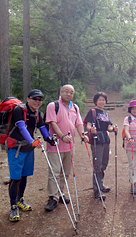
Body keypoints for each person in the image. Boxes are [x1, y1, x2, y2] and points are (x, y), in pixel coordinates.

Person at [8, 89, 54, 222]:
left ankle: (20, 199)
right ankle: (13, 206)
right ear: (27, 99)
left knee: (24, 175)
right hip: (16, 148)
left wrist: (49, 139)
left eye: (40, 100)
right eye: (35, 99)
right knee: (15, 178)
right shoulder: (19, 110)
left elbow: (42, 128)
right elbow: (22, 127)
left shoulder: (38, 113)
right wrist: (32, 141)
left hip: (28, 149)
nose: (37, 102)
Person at [44, 84, 85, 212]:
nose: (68, 94)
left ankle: (60, 193)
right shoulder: (53, 106)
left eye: (71, 92)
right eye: (66, 91)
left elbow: (78, 123)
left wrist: (83, 135)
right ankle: (52, 197)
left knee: (65, 172)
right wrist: (61, 136)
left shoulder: (75, 107)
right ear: (61, 91)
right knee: (54, 172)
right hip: (55, 145)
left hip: (69, 145)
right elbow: (52, 122)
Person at [84, 92, 118, 200]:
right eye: (100, 100)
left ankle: (101, 184)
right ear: (95, 101)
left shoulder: (105, 113)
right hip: (96, 140)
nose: (102, 102)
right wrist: (91, 130)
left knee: (104, 163)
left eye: (103, 100)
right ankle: (97, 189)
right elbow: (88, 125)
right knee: (97, 165)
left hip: (105, 139)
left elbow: (108, 127)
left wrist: (114, 129)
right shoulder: (92, 112)